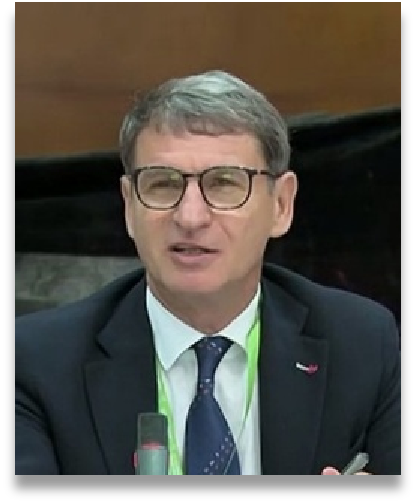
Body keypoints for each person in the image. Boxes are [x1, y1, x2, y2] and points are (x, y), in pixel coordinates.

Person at [15, 70, 401, 475]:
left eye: (224, 183)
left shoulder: (360, 345)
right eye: (163, 184)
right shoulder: (39, 364)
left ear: (281, 205)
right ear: (129, 206)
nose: (191, 217)